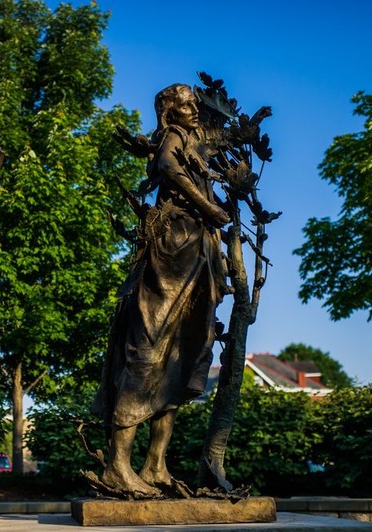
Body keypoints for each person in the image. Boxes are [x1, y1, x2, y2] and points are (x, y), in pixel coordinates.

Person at [93, 83, 229, 497]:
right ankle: (118, 466)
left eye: (194, 105)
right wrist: (206, 207)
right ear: (169, 112)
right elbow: (169, 168)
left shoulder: (195, 138)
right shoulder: (171, 139)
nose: (192, 111)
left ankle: (155, 465)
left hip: (198, 250)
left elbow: (220, 136)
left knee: (180, 355)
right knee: (150, 352)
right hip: (175, 247)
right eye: (185, 106)